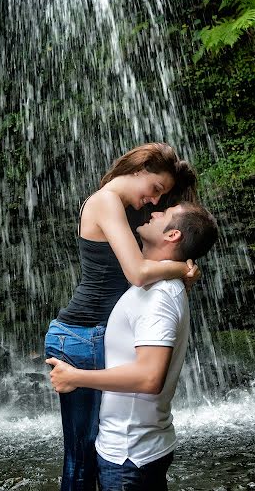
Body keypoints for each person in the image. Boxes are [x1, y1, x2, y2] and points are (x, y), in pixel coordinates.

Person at [44, 142, 199, 491]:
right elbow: (138, 274)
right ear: (139, 168)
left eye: (163, 196)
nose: (155, 200)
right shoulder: (105, 201)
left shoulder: (133, 209)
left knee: (104, 452)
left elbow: (173, 235)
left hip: (103, 333)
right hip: (81, 335)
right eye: (155, 188)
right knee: (81, 457)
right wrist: (180, 267)